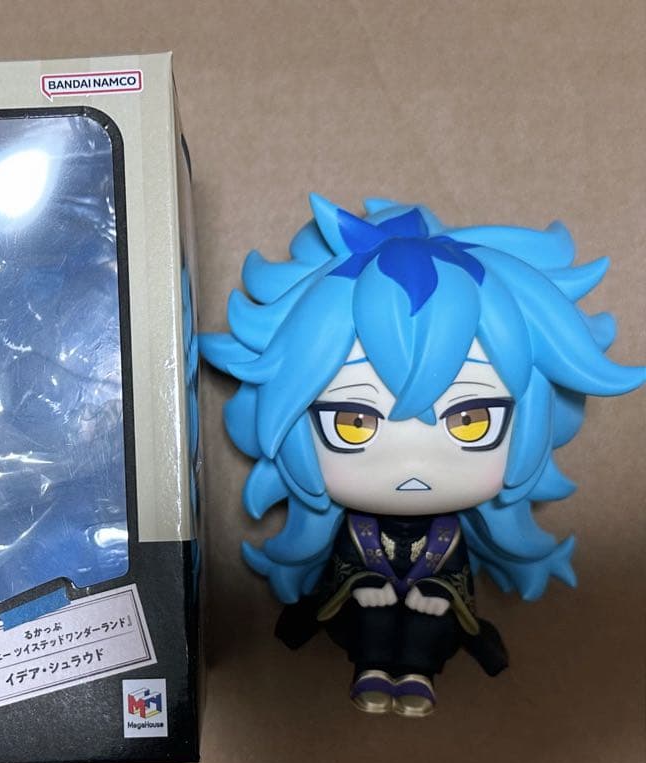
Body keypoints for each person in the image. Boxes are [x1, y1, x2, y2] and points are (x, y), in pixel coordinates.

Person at [200, 194, 645, 716]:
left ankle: (417, 672)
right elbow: (344, 566)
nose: (411, 461)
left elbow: (455, 572)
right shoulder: (355, 526)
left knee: (429, 627)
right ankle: (372, 667)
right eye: (353, 423)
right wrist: (364, 585)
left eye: (472, 420)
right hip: (364, 609)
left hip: (431, 610)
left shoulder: (450, 530)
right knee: (369, 620)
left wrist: (438, 594)